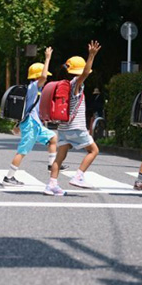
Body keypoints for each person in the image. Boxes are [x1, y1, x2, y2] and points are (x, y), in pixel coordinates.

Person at [2, 47, 66, 187]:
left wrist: (18, 124)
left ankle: (51, 165)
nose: (47, 77)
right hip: (31, 124)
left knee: (53, 138)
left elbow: (27, 108)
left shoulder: (37, 90)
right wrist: (47, 58)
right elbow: (43, 77)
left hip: (35, 124)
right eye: (44, 75)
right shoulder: (34, 87)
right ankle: (9, 177)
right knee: (23, 151)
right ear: (37, 76)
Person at [46, 41, 101, 196]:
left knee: (60, 156)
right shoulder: (75, 84)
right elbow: (84, 73)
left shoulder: (62, 84)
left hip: (63, 127)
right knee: (93, 150)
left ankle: (51, 184)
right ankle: (79, 176)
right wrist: (91, 55)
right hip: (76, 127)